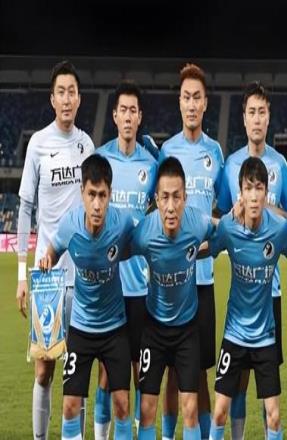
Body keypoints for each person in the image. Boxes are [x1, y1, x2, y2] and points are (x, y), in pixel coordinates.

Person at [16, 60, 94, 440]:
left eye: (71, 92)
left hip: (82, 277)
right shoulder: (38, 144)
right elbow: (24, 209)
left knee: (77, 371)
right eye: (60, 92)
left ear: (79, 99)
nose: (66, 99)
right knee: (44, 370)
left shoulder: (86, 146)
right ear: (52, 99)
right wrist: (22, 275)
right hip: (47, 277)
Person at [216, 82, 287, 439]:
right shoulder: (230, 164)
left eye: (263, 112)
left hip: (271, 290)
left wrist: (266, 208)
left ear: (268, 117)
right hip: (242, 288)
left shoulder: (281, 165)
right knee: (238, 384)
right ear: (244, 118)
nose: (258, 118)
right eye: (252, 112)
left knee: (268, 388)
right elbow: (224, 217)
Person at [208, 157, 287, 440]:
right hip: (234, 334)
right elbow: (207, 248)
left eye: (259, 188)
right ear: (240, 192)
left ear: (266, 193)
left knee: (274, 415)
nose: (253, 196)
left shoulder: (279, 230)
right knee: (219, 412)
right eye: (248, 188)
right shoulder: (228, 228)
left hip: (265, 336)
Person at [38, 154, 135, 440]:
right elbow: (53, 250)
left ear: (110, 194)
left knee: (122, 404)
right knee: (70, 406)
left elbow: (145, 240)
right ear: (82, 192)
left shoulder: (122, 223)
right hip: (80, 328)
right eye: (91, 194)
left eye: (102, 195)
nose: (96, 204)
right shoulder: (70, 225)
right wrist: (47, 260)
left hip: (115, 328)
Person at [158, 63, 224, 440]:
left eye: (197, 97)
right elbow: (156, 212)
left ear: (205, 103)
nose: (192, 104)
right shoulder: (167, 151)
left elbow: (223, 217)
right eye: (186, 97)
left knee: (199, 370)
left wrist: (207, 246)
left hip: (203, 280)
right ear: (179, 102)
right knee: (171, 370)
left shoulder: (216, 152)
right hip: (171, 282)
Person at [132, 156, 215, 440]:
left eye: (176, 197)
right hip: (153, 329)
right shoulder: (143, 232)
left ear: (185, 198)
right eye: (165, 197)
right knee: (146, 409)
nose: (170, 206)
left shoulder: (197, 222)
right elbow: (116, 250)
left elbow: (224, 230)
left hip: (187, 330)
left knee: (190, 408)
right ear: (156, 199)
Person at [94, 80, 158, 438]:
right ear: (115, 116)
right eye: (123, 110)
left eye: (134, 110)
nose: (129, 116)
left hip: (140, 287)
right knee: (106, 374)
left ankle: (137, 431)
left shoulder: (151, 163)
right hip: (108, 287)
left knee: (139, 371)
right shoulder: (101, 160)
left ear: (140, 116)